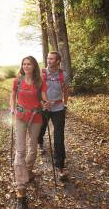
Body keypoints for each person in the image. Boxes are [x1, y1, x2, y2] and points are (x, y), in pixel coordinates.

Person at [10, 56, 47, 209]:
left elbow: (44, 99)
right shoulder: (17, 81)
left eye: (29, 64)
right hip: (20, 117)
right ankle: (21, 189)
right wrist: (12, 107)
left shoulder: (40, 82)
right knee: (20, 151)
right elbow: (12, 95)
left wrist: (46, 103)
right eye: (24, 64)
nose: (26, 66)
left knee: (33, 149)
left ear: (34, 66)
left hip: (36, 118)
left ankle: (29, 171)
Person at [38, 51, 69, 180]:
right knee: (41, 129)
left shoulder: (63, 75)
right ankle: (40, 142)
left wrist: (65, 104)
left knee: (59, 136)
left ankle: (60, 166)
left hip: (58, 108)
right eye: (47, 58)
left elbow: (66, 90)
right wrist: (42, 102)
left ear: (58, 61)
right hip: (44, 107)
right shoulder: (41, 73)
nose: (48, 60)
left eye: (51, 59)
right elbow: (36, 90)